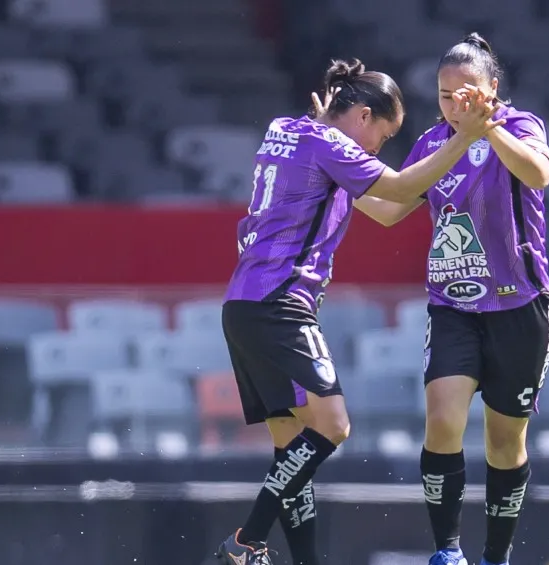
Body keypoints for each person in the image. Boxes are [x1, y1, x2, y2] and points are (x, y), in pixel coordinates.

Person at [214, 57, 504, 565]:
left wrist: (437, 176)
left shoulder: (286, 129)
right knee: (333, 425)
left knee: (291, 452)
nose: (377, 150)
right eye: (382, 136)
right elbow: (393, 188)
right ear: (363, 116)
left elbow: (388, 207)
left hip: (243, 306)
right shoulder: (330, 145)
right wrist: (463, 141)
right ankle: (245, 543)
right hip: (281, 303)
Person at [354, 33, 549, 565]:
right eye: (445, 96)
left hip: (519, 307)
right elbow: (393, 207)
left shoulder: (520, 127)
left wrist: (485, 130)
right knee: (443, 420)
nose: (455, 104)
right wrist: (340, 180)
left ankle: (496, 555)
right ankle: (447, 551)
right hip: (453, 307)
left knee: (503, 443)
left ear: (491, 89)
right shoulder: (432, 143)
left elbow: (539, 175)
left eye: (466, 93)